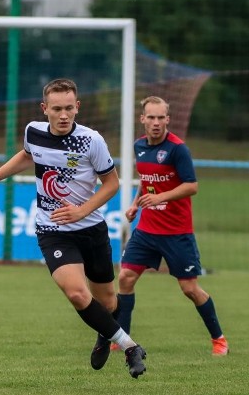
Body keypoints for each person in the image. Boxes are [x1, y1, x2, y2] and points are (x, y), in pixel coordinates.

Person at [0, 78, 147, 378]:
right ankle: (130, 347)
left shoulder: (92, 140)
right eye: (57, 109)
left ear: (77, 107)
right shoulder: (33, 132)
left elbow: (112, 184)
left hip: (91, 229)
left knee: (108, 301)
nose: (63, 115)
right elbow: (27, 155)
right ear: (44, 109)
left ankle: (106, 334)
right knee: (77, 293)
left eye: (69, 108)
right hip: (52, 230)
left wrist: (82, 210)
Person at [93, 95, 228, 361]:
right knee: (125, 278)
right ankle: (122, 338)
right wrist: (135, 205)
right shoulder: (139, 146)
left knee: (190, 289)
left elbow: (192, 186)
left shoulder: (178, 149)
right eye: (150, 117)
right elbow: (147, 180)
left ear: (168, 119)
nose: (155, 123)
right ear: (142, 119)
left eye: (160, 118)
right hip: (147, 229)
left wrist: (160, 197)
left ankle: (219, 339)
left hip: (177, 232)